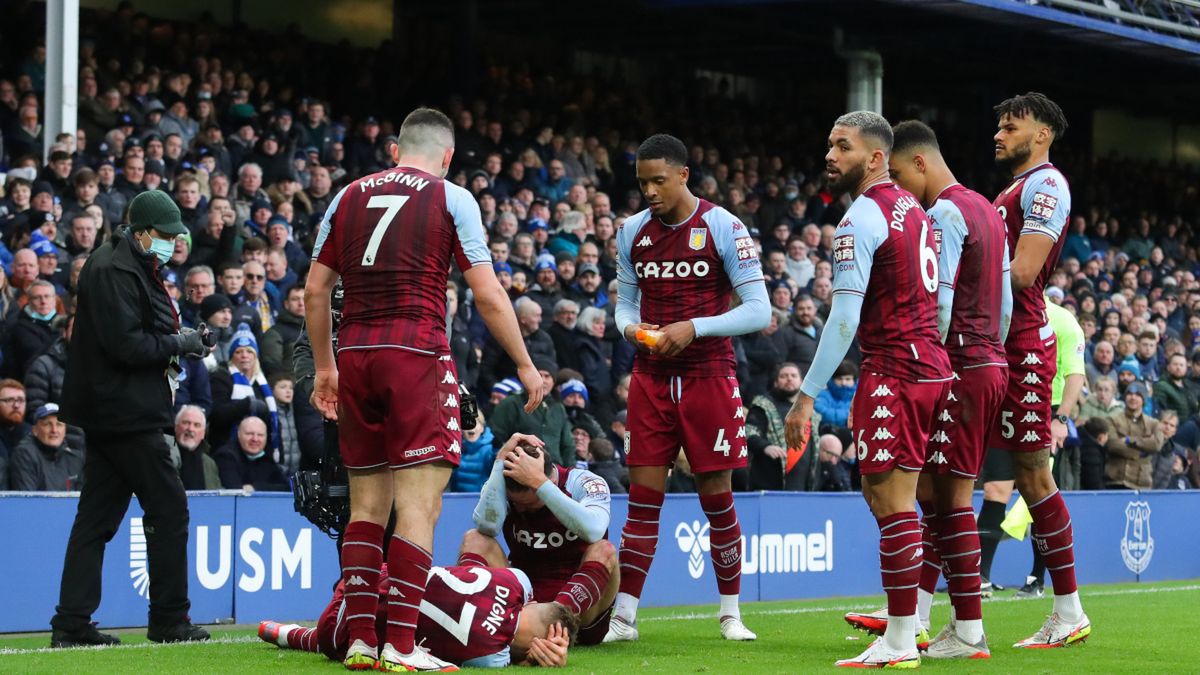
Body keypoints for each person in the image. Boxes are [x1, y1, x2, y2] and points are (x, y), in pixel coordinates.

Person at [305, 107, 543, 672]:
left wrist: (325, 368)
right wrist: (526, 364)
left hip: (355, 357)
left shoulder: (347, 195)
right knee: (420, 506)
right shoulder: (452, 197)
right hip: (416, 355)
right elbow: (486, 294)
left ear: (395, 150)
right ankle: (402, 646)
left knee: (366, 506)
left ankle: (362, 640)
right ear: (448, 156)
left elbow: (316, 291)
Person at [784, 111, 951, 669]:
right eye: (829, 144)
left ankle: (901, 641)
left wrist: (806, 395)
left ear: (876, 157)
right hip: (929, 364)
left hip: (895, 369)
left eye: (843, 146)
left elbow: (843, 319)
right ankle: (910, 628)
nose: (830, 155)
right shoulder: (915, 209)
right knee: (896, 500)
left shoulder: (860, 217)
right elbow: (942, 299)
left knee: (893, 501)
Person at [844, 120, 1011, 659]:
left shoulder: (939, 211)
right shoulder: (987, 207)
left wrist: (932, 355)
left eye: (896, 173)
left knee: (946, 503)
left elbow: (936, 301)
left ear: (918, 164)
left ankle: (958, 630)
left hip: (949, 362)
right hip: (988, 361)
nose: (896, 190)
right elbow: (1005, 301)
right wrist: (988, 351)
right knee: (940, 498)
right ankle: (922, 616)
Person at [607, 133, 768, 644]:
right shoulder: (631, 231)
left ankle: (730, 613)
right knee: (642, 500)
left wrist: (694, 327)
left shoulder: (723, 225)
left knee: (715, 496)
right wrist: (632, 331)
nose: (650, 191)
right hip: (651, 379)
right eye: (642, 183)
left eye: (659, 180)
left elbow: (759, 310)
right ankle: (624, 617)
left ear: (682, 175)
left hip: (709, 377)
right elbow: (624, 305)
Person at [52, 191, 212, 647]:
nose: (171, 244)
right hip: (125, 413)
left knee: (96, 520)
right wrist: (181, 343)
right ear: (141, 232)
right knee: (169, 508)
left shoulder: (124, 263)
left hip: (117, 410)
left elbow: (137, 336)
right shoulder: (112, 270)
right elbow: (127, 346)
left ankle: (71, 623)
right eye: (164, 236)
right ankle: (167, 619)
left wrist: (181, 338)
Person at [982, 92, 1091, 648]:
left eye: (1011, 125)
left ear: (1042, 133)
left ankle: (1068, 610)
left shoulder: (1046, 185)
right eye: (998, 125)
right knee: (943, 469)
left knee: (1034, 477)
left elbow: (1023, 273)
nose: (998, 134)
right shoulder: (1009, 191)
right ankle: (917, 613)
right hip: (990, 344)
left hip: (1021, 346)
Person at [257, 559, 575, 668]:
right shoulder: (492, 657)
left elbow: (521, 591)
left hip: (369, 574)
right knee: (353, 646)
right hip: (340, 630)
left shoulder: (516, 579)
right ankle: (287, 634)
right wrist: (526, 659)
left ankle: (281, 631)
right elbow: (506, 649)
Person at [469, 432, 619, 645]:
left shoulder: (584, 481)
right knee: (475, 539)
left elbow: (594, 529)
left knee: (604, 549)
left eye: (530, 504)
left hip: (580, 611)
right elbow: (486, 525)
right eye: (517, 504)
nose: (521, 509)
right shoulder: (504, 482)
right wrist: (500, 460)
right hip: (527, 603)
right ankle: (473, 625)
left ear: (549, 479)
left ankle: (554, 625)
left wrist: (541, 485)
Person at [7, 403, 83, 491]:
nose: (54, 430)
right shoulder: (24, 455)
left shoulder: (75, 458)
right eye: (47, 424)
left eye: (59, 424)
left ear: (65, 430)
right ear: (35, 430)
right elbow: (26, 501)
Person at [214, 416, 289, 492]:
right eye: (249, 434)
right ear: (238, 434)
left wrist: (254, 488)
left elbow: (285, 488)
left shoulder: (267, 458)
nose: (255, 439)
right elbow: (235, 491)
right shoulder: (225, 457)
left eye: (260, 435)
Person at [169, 405, 221, 490]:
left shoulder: (209, 463)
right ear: (176, 427)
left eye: (196, 425)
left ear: (203, 433)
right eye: (186, 423)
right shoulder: (163, 457)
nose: (190, 429)